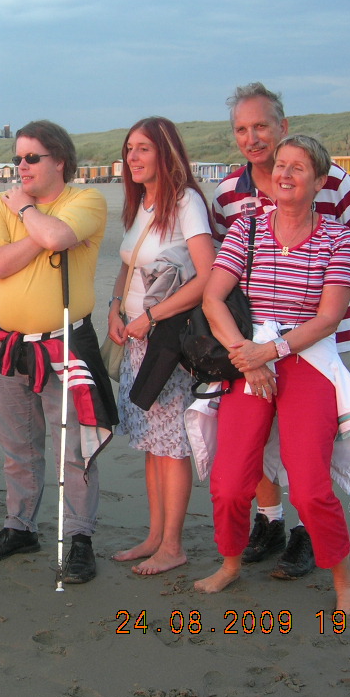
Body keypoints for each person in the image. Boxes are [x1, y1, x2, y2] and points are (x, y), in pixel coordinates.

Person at [211, 83, 350, 579]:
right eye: (242, 129)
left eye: (261, 126)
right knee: (247, 458)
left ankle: (310, 538)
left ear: (282, 126)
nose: (252, 137)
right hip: (249, 347)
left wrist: (334, 290)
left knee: (309, 458)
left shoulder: (337, 193)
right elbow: (223, 285)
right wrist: (250, 352)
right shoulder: (231, 197)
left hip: (319, 347)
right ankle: (268, 523)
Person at [0, 120, 117, 585]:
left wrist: (29, 213)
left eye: (32, 157)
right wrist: (42, 230)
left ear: (60, 162)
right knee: (18, 445)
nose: (22, 166)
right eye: (18, 158)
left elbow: (58, 239)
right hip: (8, 346)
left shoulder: (86, 200)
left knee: (74, 449)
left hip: (66, 344)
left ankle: (79, 539)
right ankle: (20, 526)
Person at [105, 118, 214, 575]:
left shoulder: (185, 202)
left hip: (168, 341)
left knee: (171, 445)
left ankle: (173, 545)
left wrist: (150, 317)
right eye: (129, 149)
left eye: (144, 149)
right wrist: (115, 306)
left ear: (166, 154)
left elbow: (209, 275)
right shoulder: (142, 205)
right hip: (135, 339)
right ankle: (154, 535)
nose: (133, 157)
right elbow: (127, 266)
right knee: (152, 443)